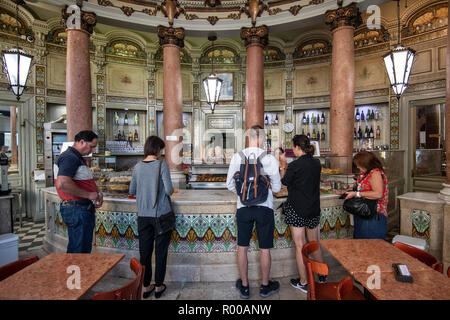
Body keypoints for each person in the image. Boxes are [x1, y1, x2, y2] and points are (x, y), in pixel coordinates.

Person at [226, 125, 282, 299]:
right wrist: (262, 193)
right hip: (264, 209)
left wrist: (245, 195)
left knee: (242, 247)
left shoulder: (238, 157)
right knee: (265, 248)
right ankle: (265, 286)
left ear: (248, 137)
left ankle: (244, 286)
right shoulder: (270, 158)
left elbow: (229, 184)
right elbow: (278, 188)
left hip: (243, 209)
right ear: (262, 138)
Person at [129, 136, 174, 299]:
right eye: (161, 150)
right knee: (160, 253)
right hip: (160, 215)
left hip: (143, 216)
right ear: (157, 150)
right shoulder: (162, 165)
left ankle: (146, 286)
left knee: (145, 253)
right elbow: (169, 190)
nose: (161, 153)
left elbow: (132, 191)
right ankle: (159, 285)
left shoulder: (137, 167)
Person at [280, 134, 326, 293]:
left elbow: (283, 184)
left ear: (297, 147)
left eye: (293, 147)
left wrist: (282, 165)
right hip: (313, 208)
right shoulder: (316, 163)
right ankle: (322, 274)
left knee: (300, 245)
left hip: (297, 208)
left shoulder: (295, 165)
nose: (293, 150)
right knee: (313, 242)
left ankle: (304, 281)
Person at [55, 130, 102, 254]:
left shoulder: (76, 157)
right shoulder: (69, 157)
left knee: (82, 248)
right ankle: (76, 273)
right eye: (92, 146)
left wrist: (97, 192)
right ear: (81, 142)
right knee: (79, 251)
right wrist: (89, 195)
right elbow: (62, 183)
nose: (93, 150)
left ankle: (79, 272)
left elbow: (83, 180)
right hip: (77, 210)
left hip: (81, 209)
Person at [344, 151, 389, 240]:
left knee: (371, 245)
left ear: (365, 163)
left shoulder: (375, 173)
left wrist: (357, 194)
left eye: (358, 164)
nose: (357, 167)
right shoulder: (366, 173)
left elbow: (378, 194)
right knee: (361, 244)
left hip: (374, 215)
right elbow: (363, 188)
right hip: (364, 213)